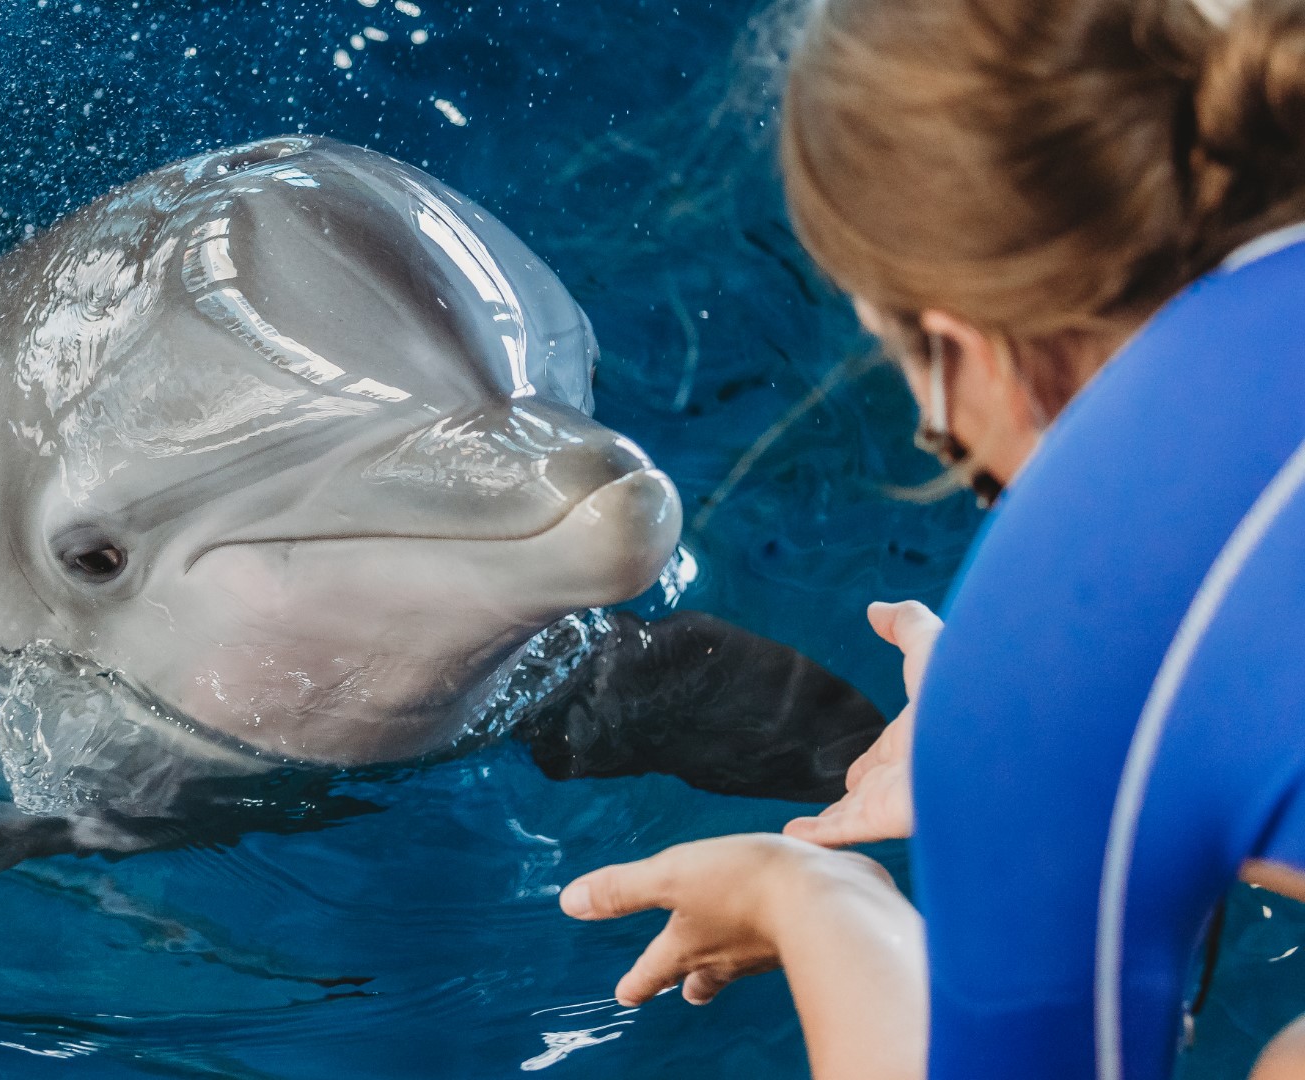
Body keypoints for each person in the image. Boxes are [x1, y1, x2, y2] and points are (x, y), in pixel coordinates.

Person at [558, 0, 1305, 1077]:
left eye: (895, 356)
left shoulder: (1063, 623)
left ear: (958, 347)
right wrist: (1130, 762)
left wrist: (813, 903)